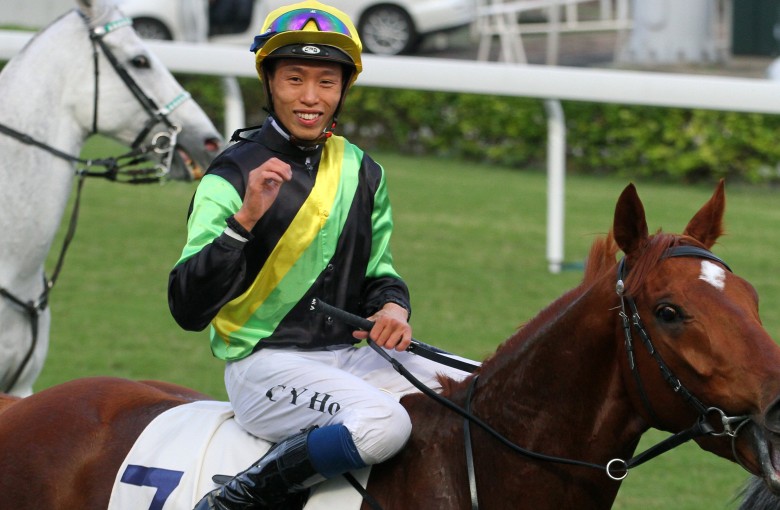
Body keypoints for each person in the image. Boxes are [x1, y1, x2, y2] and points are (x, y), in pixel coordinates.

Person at [167, 1, 470, 508]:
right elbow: (187, 307)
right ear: (269, 82)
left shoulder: (361, 169)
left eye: (326, 82)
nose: (310, 97)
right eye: (294, 79)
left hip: (351, 358)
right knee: (384, 425)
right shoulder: (231, 175)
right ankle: (244, 494)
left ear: (343, 90)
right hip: (263, 367)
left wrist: (393, 309)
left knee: (482, 388)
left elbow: (379, 272)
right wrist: (244, 222)